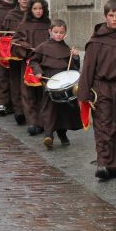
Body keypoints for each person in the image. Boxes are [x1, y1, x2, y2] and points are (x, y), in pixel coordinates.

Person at [77, 0, 116, 180]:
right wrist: (84, 95)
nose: (115, 19)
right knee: (104, 126)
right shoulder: (96, 41)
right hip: (102, 89)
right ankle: (103, 162)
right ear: (105, 16)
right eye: (111, 15)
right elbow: (88, 69)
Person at [30, 19, 82, 150]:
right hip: (50, 82)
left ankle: (62, 134)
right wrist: (38, 72)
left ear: (65, 33)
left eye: (61, 32)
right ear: (50, 31)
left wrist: (75, 57)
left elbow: (74, 68)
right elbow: (34, 61)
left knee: (64, 110)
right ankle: (49, 136)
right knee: (49, 108)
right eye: (56, 32)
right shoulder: (43, 47)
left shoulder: (66, 48)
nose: (58, 35)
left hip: (63, 84)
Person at [12, 0, 51, 136]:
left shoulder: (48, 24)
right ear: (30, 10)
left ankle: (43, 122)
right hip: (29, 62)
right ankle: (33, 122)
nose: (38, 11)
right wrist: (25, 46)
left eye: (40, 8)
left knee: (43, 93)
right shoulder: (23, 25)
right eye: (35, 8)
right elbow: (16, 41)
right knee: (28, 93)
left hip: (44, 63)